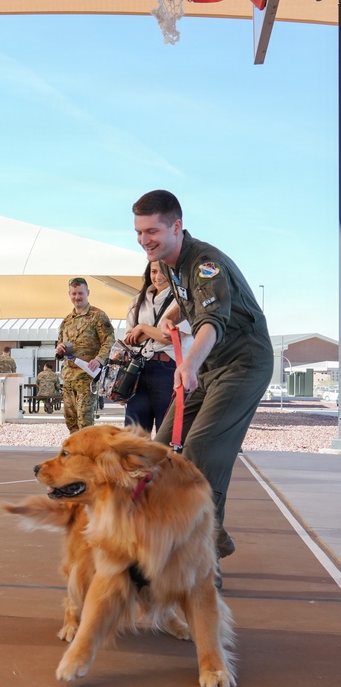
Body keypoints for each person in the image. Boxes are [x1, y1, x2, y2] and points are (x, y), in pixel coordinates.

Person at [133, 189, 273, 584]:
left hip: (242, 365)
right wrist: (174, 313)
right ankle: (213, 536)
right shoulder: (172, 263)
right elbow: (194, 302)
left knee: (201, 453)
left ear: (176, 226)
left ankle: (204, 560)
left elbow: (212, 322)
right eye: (139, 232)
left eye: (152, 231)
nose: (145, 240)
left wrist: (188, 364)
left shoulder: (204, 263)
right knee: (159, 451)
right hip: (211, 365)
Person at [122, 261, 193, 433]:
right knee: (133, 436)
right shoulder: (137, 301)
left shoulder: (182, 299)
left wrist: (142, 328)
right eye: (153, 271)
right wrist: (151, 332)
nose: (158, 277)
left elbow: (173, 337)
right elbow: (130, 339)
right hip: (139, 370)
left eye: (163, 272)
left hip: (168, 369)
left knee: (167, 433)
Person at [55, 278, 115, 434]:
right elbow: (61, 344)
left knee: (85, 421)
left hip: (87, 377)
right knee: (71, 421)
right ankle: (76, 454)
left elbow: (109, 341)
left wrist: (99, 359)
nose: (77, 297)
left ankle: (87, 455)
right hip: (68, 378)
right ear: (69, 294)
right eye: (74, 294)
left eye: (80, 293)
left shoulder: (98, 316)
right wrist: (60, 349)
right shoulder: (67, 321)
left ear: (87, 293)